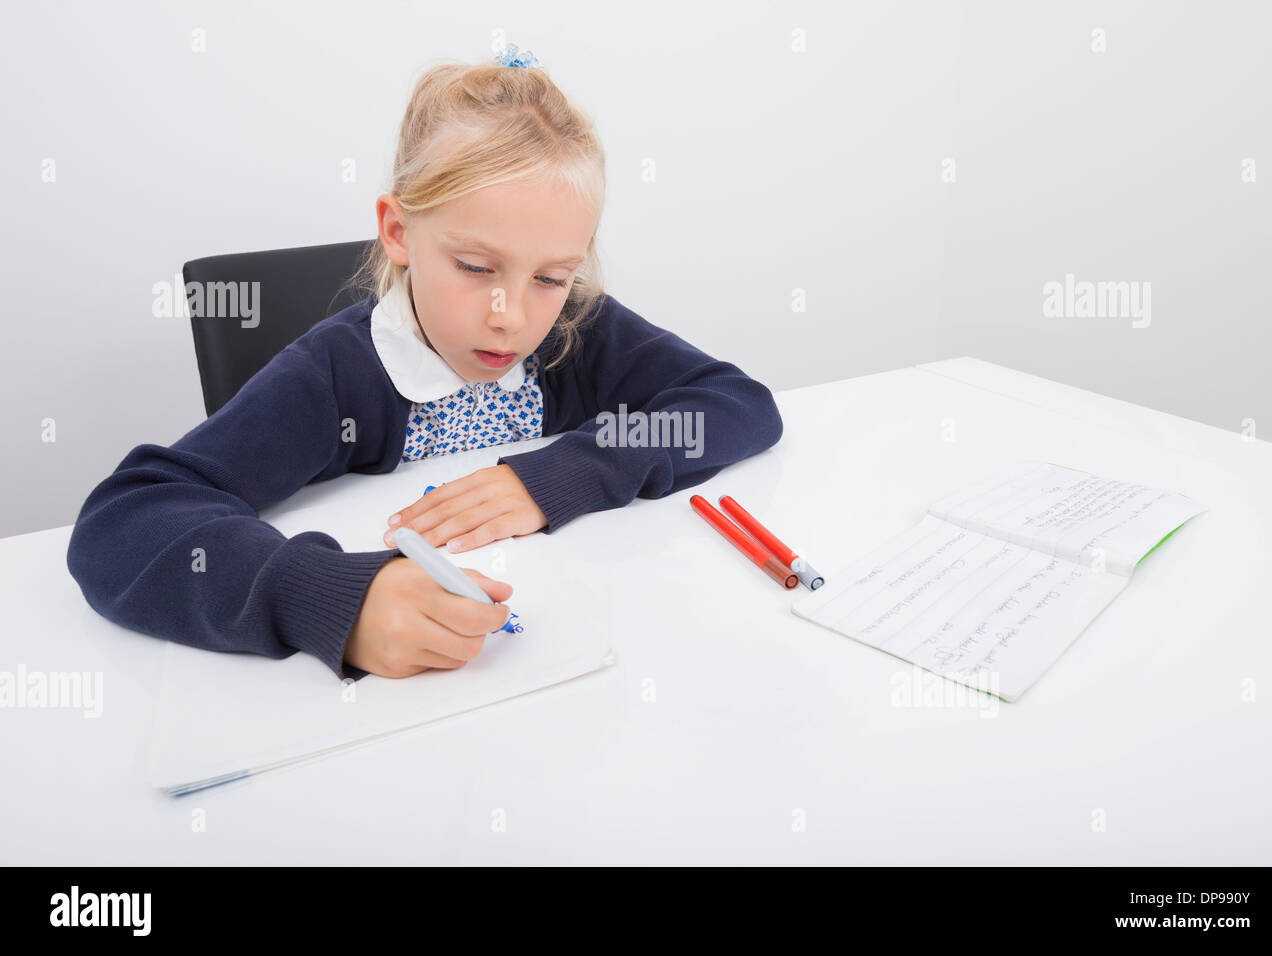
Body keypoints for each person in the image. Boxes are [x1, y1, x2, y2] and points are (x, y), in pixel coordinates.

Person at [66, 47, 783, 682]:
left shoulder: (577, 330)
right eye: (476, 266)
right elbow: (126, 519)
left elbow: (735, 403)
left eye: (551, 276)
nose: (513, 314)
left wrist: (568, 473)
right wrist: (331, 597)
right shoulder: (333, 376)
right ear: (399, 230)